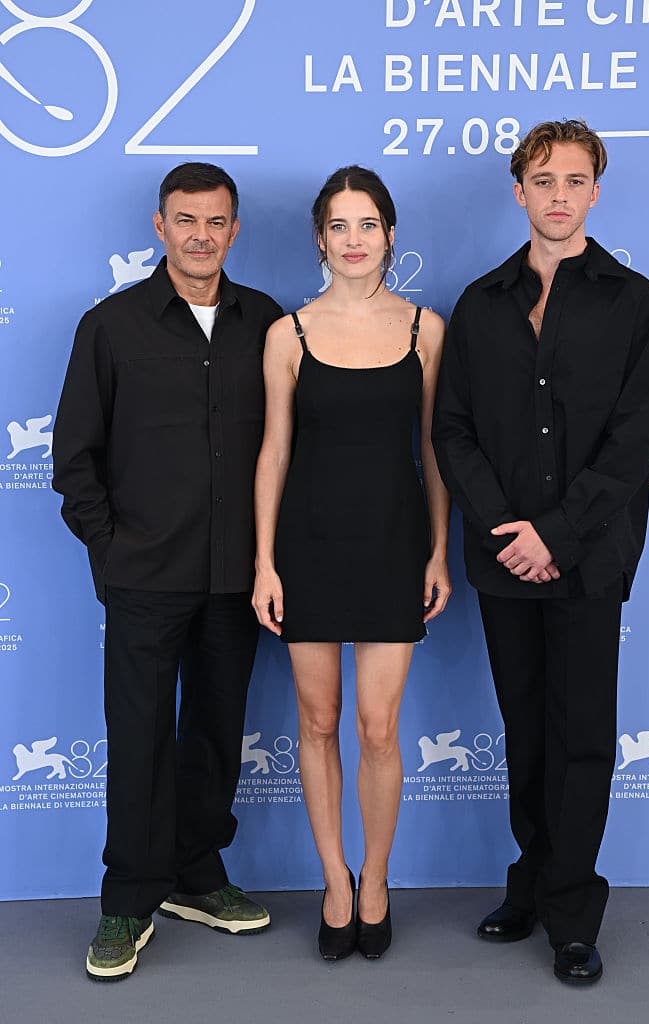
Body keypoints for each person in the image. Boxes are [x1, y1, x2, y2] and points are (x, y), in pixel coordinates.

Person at [433, 120, 649, 985]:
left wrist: (556, 536)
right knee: (524, 734)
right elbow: (452, 430)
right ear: (518, 191)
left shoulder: (632, 302)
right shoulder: (480, 302)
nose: (558, 195)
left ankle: (572, 911)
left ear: (594, 192)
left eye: (574, 180)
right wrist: (507, 532)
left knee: (580, 739)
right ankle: (529, 884)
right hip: (504, 560)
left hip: (588, 559)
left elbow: (633, 440)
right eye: (542, 179)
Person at [52, 162, 282, 981]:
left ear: (233, 229)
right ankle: (127, 896)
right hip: (145, 574)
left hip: (236, 575)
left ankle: (197, 874)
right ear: (160, 227)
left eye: (215, 221)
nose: (200, 235)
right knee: (140, 735)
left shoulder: (267, 322)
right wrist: (112, 551)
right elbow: (74, 459)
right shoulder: (111, 326)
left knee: (217, 730)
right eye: (185, 220)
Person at [252, 166, 451, 960]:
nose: (354, 240)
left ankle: (376, 878)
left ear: (390, 234)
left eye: (367, 224)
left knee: (376, 729)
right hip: (307, 545)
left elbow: (436, 452)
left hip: (394, 545)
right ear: (319, 239)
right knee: (318, 721)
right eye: (338, 226)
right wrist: (264, 562)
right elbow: (272, 453)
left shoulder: (424, 330)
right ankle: (332, 880)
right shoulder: (286, 334)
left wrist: (439, 549)